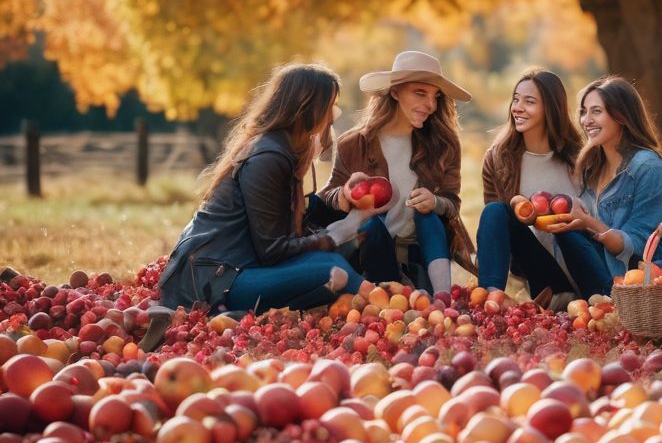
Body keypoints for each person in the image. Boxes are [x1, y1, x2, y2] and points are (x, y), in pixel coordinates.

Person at [158, 63, 373, 319]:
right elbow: (273, 251)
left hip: (237, 270)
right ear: (308, 108)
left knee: (357, 245)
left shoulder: (277, 148)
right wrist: (337, 235)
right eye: (330, 107)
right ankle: (391, 309)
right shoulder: (268, 157)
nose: (333, 117)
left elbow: (290, 213)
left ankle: (387, 293)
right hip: (216, 282)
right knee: (333, 268)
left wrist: (344, 201)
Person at [320, 51, 477, 295]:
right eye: (420, 93)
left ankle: (443, 298)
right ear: (395, 92)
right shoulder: (353, 143)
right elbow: (326, 196)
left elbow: (452, 203)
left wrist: (435, 202)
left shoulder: (444, 144)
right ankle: (388, 290)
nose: (431, 105)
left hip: (420, 254)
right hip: (370, 251)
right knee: (370, 222)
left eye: (435, 96)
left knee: (428, 216)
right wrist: (345, 194)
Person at [550, 76, 662, 297]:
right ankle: (563, 297)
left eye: (596, 111)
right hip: (591, 270)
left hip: (628, 279)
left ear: (621, 117)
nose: (586, 120)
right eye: (583, 111)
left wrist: (588, 222)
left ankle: (597, 300)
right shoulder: (591, 166)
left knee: (568, 234)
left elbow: (636, 245)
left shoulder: (649, 168)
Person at [476, 68, 586, 307]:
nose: (517, 107)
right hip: (542, 274)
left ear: (551, 108)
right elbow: (498, 231)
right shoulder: (498, 160)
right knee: (494, 210)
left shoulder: (580, 158)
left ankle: (582, 297)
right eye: (516, 99)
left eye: (529, 101)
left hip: (584, 264)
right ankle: (488, 301)